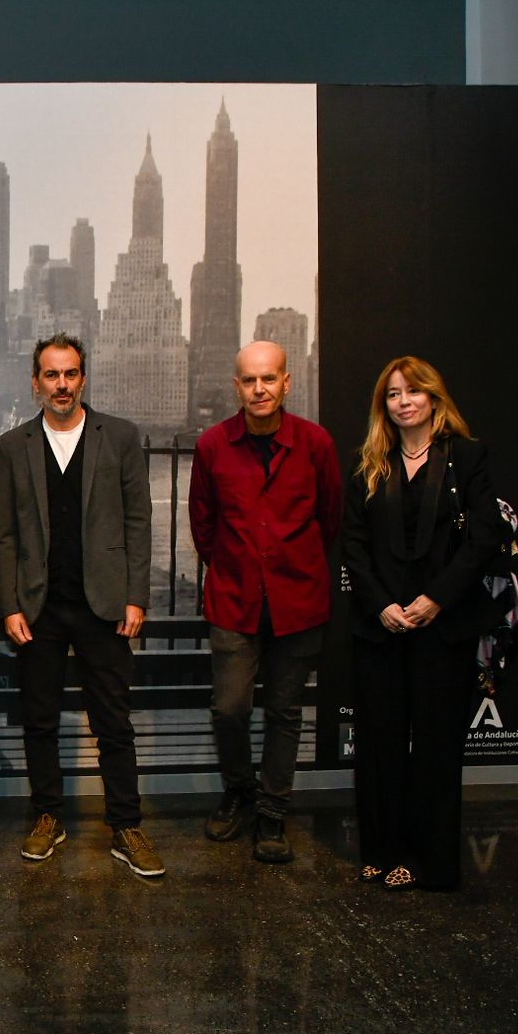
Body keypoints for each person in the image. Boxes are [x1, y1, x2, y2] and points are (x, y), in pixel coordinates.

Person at [0, 333, 164, 877]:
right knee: (39, 720)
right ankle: (48, 816)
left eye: (70, 374)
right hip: (39, 609)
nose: (61, 384)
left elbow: (139, 522)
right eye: (51, 375)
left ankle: (126, 825)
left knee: (112, 720)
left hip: (105, 605)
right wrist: (12, 604)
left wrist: (137, 595)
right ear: (36, 382)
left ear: (82, 379)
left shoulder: (119, 436)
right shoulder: (14, 445)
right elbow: (3, 535)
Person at [341, 356, 503, 890]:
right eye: (392, 394)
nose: (403, 401)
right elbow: (354, 545)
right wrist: (381, 603)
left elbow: (483, 539)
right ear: (382, 405)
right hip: (380, 625)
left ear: (434, 397)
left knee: (434, 747)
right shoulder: (371, 462)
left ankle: (427, 859)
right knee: (380, 743)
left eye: (413, 391)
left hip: (442, 624)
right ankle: (381, 851)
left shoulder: (467, 457)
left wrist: (435, 599)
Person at [190, 340, 341, 863]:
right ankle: (238, 790)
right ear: (237, 386)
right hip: (234, 601)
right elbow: (203, 526)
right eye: (250, 380)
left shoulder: (316, 444)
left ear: (286, 383)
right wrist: (239, 568)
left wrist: (289, 568)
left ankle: (273, 814)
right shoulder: (212, 445)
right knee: (229, 709)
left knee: (284, 712)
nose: (260, 389)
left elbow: (331, 518)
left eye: (269, 379)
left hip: (298, 602)